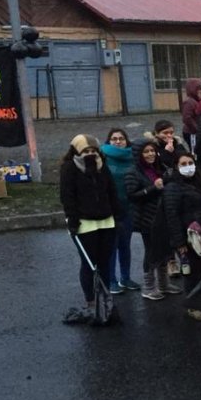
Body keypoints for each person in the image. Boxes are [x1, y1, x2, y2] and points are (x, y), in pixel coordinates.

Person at [60, 134, 119, 314]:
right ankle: (91, 300)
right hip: (85, 223)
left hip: (106, 221)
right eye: (86, 151)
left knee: (105, 262)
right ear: (76, 151)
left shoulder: (103, 166)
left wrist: (117, 216)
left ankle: (105, 296)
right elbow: (67, 196)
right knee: (88, 264)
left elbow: (111, 192)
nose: (90, 154)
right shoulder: (70, 168)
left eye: (93, 151)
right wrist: (72, 220)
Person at [123, 139, 181, 301]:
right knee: (151, 251)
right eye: (146, 152)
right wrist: (152, 188)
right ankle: (148, 287)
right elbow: (132, 195)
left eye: (152, 151)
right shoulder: (132, 172)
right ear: (138, 154)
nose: (150, 154)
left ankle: (164, 283)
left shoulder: (159, 167)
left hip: (164, 216)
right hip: (147, 218)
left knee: (165, 249)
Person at [163, 151, 201, 322]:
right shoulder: (173, 188)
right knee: (192, 272)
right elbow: (171, 216)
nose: (188, 167)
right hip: (188, 238)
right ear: (176, 168)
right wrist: (179, 242)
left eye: (190, 163)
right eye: (183, 164)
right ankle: (193, 306)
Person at [100, 128, 139, 293]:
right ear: (109, 141)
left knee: (125, 245)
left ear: (126, 141)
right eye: (114, 139)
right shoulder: (103, 157)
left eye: (121, 138)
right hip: (110, 209)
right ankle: (111, 280)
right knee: (111, 247)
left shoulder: (133, 157)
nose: (117, 141)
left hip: (128, 208)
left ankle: (126, 278)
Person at [181, 77, 201, 152]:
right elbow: (187, 118)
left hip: (197, 132)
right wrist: (196, 129)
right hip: (191, 133)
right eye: (199, 89)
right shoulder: (189, 102)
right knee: (195, 151)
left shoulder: (197, 101)